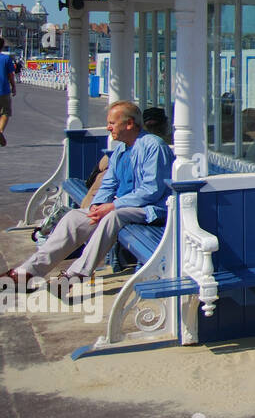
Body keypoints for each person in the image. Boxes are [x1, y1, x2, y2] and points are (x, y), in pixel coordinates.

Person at [3, 101, 173, 289]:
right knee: (74, 217)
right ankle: (28, 272)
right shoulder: (121, 149)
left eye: (112, 123)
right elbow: (109, 182)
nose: (108, 127)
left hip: (152, 209)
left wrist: (112, 206)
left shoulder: (153, 146)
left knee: (113, 215)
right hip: (125, 207)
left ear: (130, 123)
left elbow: (151, 191)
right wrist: (97, 204)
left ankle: (75, 275)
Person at [0, 37, 16, 147]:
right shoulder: (6, 59)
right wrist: (13, 87)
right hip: (3, 90)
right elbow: (11, 75)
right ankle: (0, 131)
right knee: (5, 113)